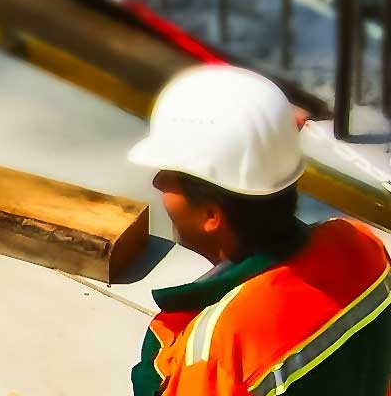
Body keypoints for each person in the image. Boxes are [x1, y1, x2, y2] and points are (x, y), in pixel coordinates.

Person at [127, 65, 391, 396]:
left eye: (170, 176)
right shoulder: (362, 246)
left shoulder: (218, 349)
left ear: (211, 215)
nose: (157, 182)